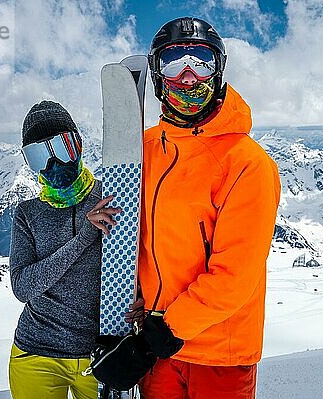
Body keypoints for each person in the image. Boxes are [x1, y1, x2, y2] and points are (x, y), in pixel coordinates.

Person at [132, 17, 281, 398]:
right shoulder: (144, 150)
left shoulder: (246, 163)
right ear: (156, 74)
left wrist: (162, 334)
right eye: (173, 62)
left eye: (200, 60)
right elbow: (137, 241)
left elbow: (236, 273)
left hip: (219, 351)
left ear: (218, 71)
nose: (187, 76)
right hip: (156, 344)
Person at [8, 100, 120, 399]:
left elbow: (141, 258)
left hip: (99, 356)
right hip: (35, 354)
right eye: (38, 156)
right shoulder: (27, 213)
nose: (53, 164)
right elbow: (22, 286)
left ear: (79, 145)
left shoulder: (113, 196)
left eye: (61, 147)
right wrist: (84, 237)